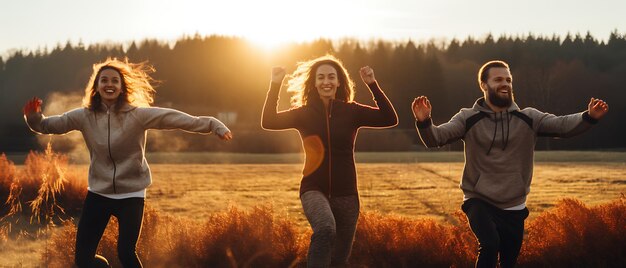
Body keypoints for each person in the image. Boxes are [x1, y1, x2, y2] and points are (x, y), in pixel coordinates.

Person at [23, 58, 233, 268]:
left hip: (131, 194)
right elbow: (46, 125)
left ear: (122, 87)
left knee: (126, 253)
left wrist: (213, 124)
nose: (109, 84)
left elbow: (175, 119)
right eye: (104, 80)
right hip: (99, 193)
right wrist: (33, 117)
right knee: (83, 260)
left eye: (115, 81)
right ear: (96, 87)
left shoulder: (138, 115)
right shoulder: (84, 116)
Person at [411, 60, 609, 268]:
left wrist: (588, 117)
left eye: (508, 79)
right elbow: (437, 138)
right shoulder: (467, 118)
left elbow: (561, 125)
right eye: (498, 79)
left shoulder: (529, 117)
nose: (505, 83)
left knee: (509, 260)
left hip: (514, 204)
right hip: (479, 199)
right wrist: (425, 122)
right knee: (489, 244)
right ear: (484, 85)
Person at [262, 55, 398, 267]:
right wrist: (275, 84)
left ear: (339, 82)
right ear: (314, 83)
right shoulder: (304, 113)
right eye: (321, 77)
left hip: (347, 194)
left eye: (331, 77)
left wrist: (373, 85)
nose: (326, 81)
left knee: (339, 259)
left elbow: (390, 118)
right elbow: (268, 121)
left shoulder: (352, 111)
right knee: (325, 228)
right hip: (313, 188)